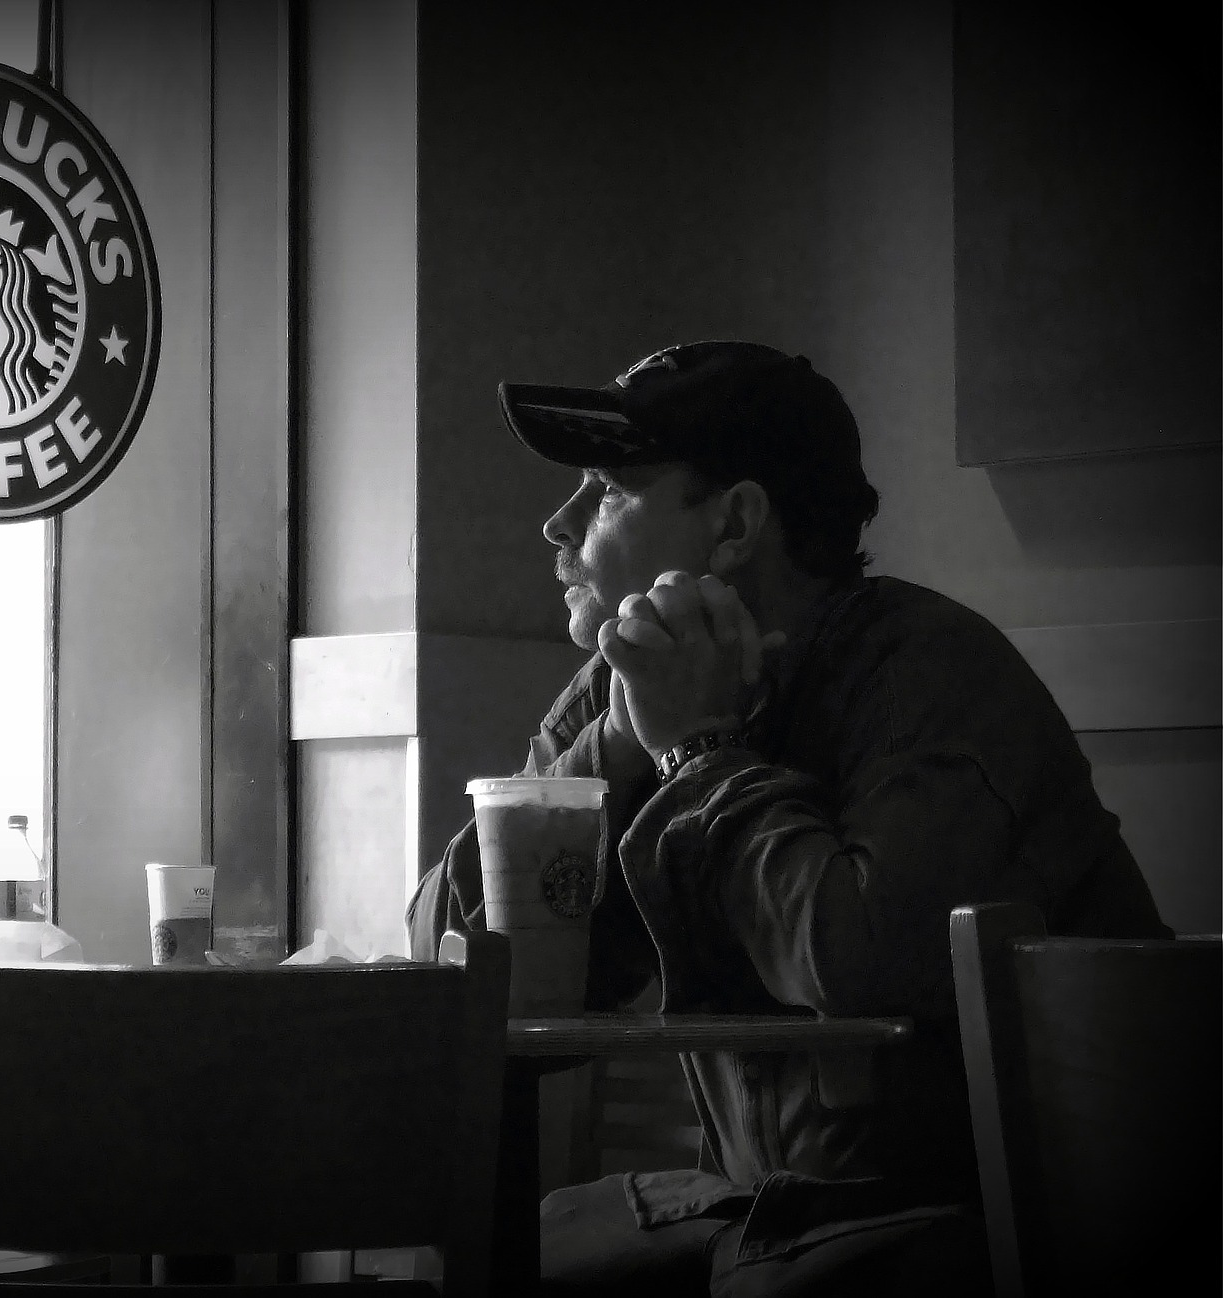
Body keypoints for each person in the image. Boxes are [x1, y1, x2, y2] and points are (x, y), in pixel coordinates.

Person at [405, 340, 1169, 1296]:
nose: (555, 525)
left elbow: (860, 961)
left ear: (734, 524)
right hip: (771, 1213)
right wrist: (627, 746)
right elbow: (444, 970)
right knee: (491, 1266)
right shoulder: (624, 687)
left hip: (1008, 1222)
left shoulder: (928, 673)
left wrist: (700, 751)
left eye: (603, 489)